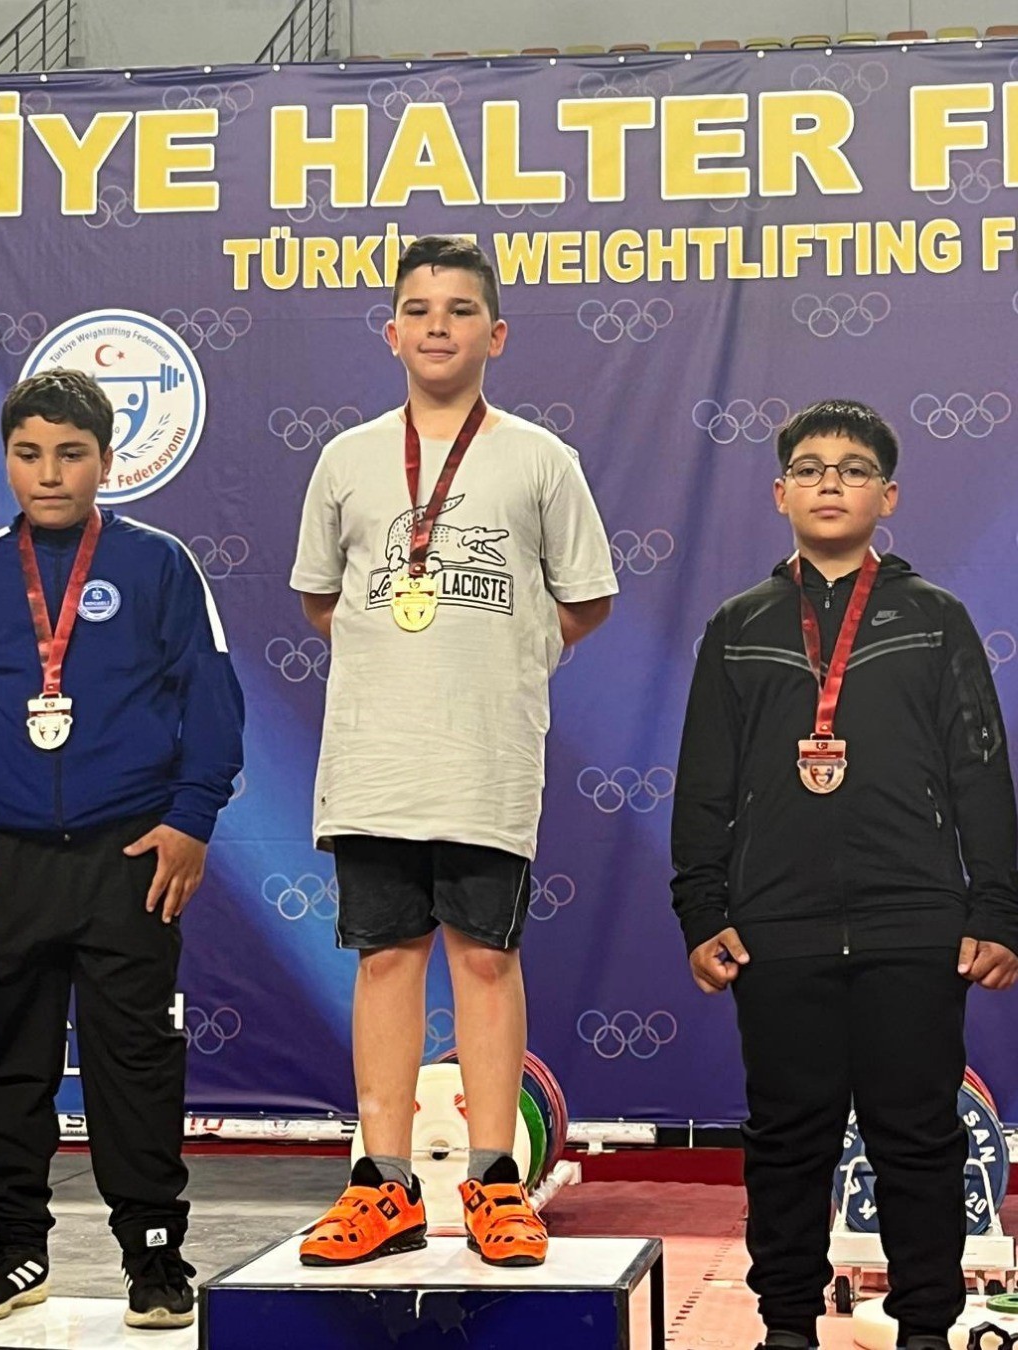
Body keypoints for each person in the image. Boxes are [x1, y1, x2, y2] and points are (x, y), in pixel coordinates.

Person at [291, 234, 616, 1267]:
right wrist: (401, 660)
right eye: (420, 310)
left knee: (486, 957)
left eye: (461, 309)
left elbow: (586, 598)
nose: (439, 326)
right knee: (387, 959)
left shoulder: (539, 459)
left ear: (497, 334)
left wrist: (506, 656)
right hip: (376, 760)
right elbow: (321, 597)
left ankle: (494, 1180)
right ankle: (382, 1185)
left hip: (485, 757)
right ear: (390, 332)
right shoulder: (347, 459)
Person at [671, 399, 1018, 1350]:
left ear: (887, 496)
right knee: (788, 1137)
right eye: (811, 468)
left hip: (916, 922)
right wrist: (703, 909)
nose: (831, 483)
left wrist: (997, 908)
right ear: (779, 493)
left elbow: (981, 773)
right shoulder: (739, 625)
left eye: (854, 469)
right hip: (777, 926)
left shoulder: (935, 619)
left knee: (920, 1136)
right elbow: (703, 784)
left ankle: (924, 1329)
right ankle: (786, 1326)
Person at [0, 370, 244, 1329]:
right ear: (5, 460)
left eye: (70, 454)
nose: (49, 473)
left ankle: (153, 1251)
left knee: (135, 1061)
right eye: (29, 453)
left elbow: (212, 699)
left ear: (107, 462)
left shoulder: (158, 565)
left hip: (129, 856)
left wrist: (191, 820)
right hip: (2, 859)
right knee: (7, 1060)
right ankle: (11, 1246)